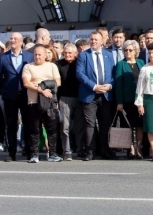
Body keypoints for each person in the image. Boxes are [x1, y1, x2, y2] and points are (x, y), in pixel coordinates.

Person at [75, 31, 116, 161]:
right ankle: (90, 151)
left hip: (105, 95)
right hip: (89, 94)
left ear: (102, 41)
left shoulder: (108, 55)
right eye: (91, 40)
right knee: (90, 124)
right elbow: (80, 74)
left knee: (105, 124)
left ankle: (104, 150)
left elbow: (114, 74)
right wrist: (94, 86)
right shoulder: (83, 56)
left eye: (96, 40)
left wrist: (109, 86)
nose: (93, 42)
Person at [0, 32, 34, 162]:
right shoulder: (3, 57)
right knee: (11, 125)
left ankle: (28, 151)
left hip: (25, 94)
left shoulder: (29, 56)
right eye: (11, 38)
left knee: (27, 124)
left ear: (21, 42)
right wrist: (5, 88)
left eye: (15, 39)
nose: (12, 40)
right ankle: (11, 152)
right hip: (9, 96)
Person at [22, 45, 62, 163]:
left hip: (50, 103)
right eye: (35, 54)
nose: (37, 57)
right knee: (34, 130)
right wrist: (41, 90)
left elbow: (58, 82)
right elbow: (26, 83)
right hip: (33, 102)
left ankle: (53, 154)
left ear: (45, 55)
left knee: (52, 130)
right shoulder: (28, 66)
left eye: (40, 54)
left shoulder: (52, 66)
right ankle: (34, 154)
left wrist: (45, 86)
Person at [114, 40, 145, 159]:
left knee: (140, 125)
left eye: (130, 50)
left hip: (140, 100)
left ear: (136, 51)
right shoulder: (121, 64)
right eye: (125, 50)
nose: (127, 52)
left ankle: (139, 148)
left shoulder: (141, 62)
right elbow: (119, 84)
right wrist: (120, 102)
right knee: (128, 125)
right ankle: (131, 148)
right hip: (127, 100)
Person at [56, 43, 79, 161]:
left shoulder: (80, 63)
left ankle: (80, 150)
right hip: (64, 98)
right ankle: (67, 152)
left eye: (70, 53)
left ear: (76, 53)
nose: (67, 55)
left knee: (79, 126)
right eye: (65, 53)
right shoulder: (58, 64)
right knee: (65, 126)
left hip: (79, 97)